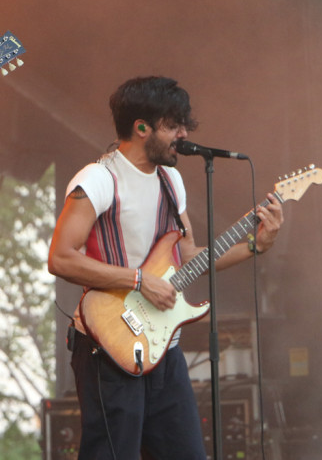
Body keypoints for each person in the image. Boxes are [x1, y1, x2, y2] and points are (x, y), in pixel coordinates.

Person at [47, 76, 284, 459]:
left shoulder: (171, 181)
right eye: (173, 126)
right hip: (107, 345)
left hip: (162, 350)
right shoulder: (98, 180)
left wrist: (255, 246)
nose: (184, 134)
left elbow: (188, 257)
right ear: (142, 127)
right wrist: (141, 281)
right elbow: (60, 257)